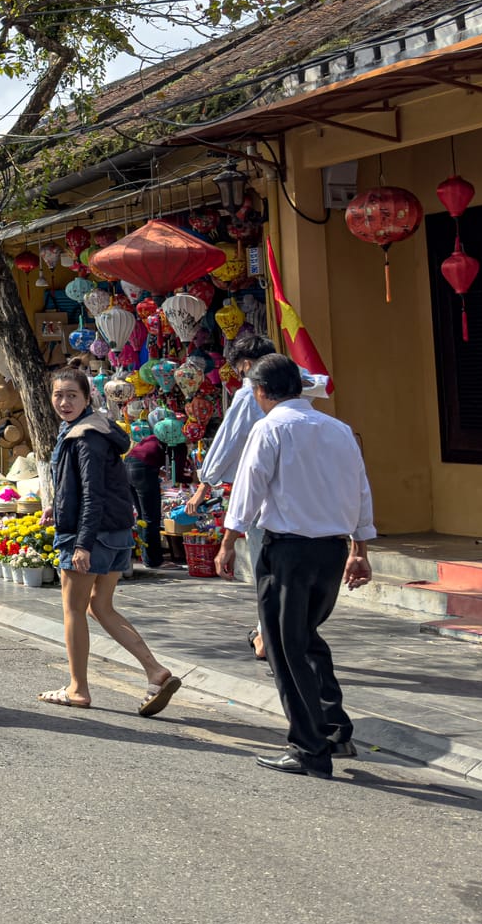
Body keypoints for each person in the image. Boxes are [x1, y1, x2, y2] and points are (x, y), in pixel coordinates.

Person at [217, 355, 374, 778]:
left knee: (285, 648)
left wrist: (229, 541)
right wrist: (360, 548)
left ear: (261, 392)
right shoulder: (338, 430)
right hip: (332, 550)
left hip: (289, 552)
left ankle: (309, 747)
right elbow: (360, 489)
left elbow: (249, 489)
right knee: (304, 638)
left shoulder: (269, 428)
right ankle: (335, 730)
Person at [38, 368, 181, 716]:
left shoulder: (85, 437)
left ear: (88, 398)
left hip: (91, 534)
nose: (64, 402)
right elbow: (84, 488)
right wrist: (56, 508)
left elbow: (93, 494)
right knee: (100, 606)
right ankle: (155, 671)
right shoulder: (92, 430)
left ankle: (77, 688)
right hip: (114, 532)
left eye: (72, 394)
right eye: (59, 395)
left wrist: (83, 544)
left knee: (73, 609)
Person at [190, 332, 330, 660]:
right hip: (303, 490)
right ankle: (274, 631)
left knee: (265, 567)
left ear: (249, 365)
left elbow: (229, 439)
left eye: (241, 370)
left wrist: (205, 481)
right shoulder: (303, 388)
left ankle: (269, 634)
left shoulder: (249, 394)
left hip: (263, 491)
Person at [125, 428, 168, 570]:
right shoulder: (176, 444)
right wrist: (191, 478)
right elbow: (178, 474)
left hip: (128, 467)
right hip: (142, 473)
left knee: (143, 517)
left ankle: (145, 556)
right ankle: (154, 560)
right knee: (151, 517)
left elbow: (146, 460)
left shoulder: (152, 439)